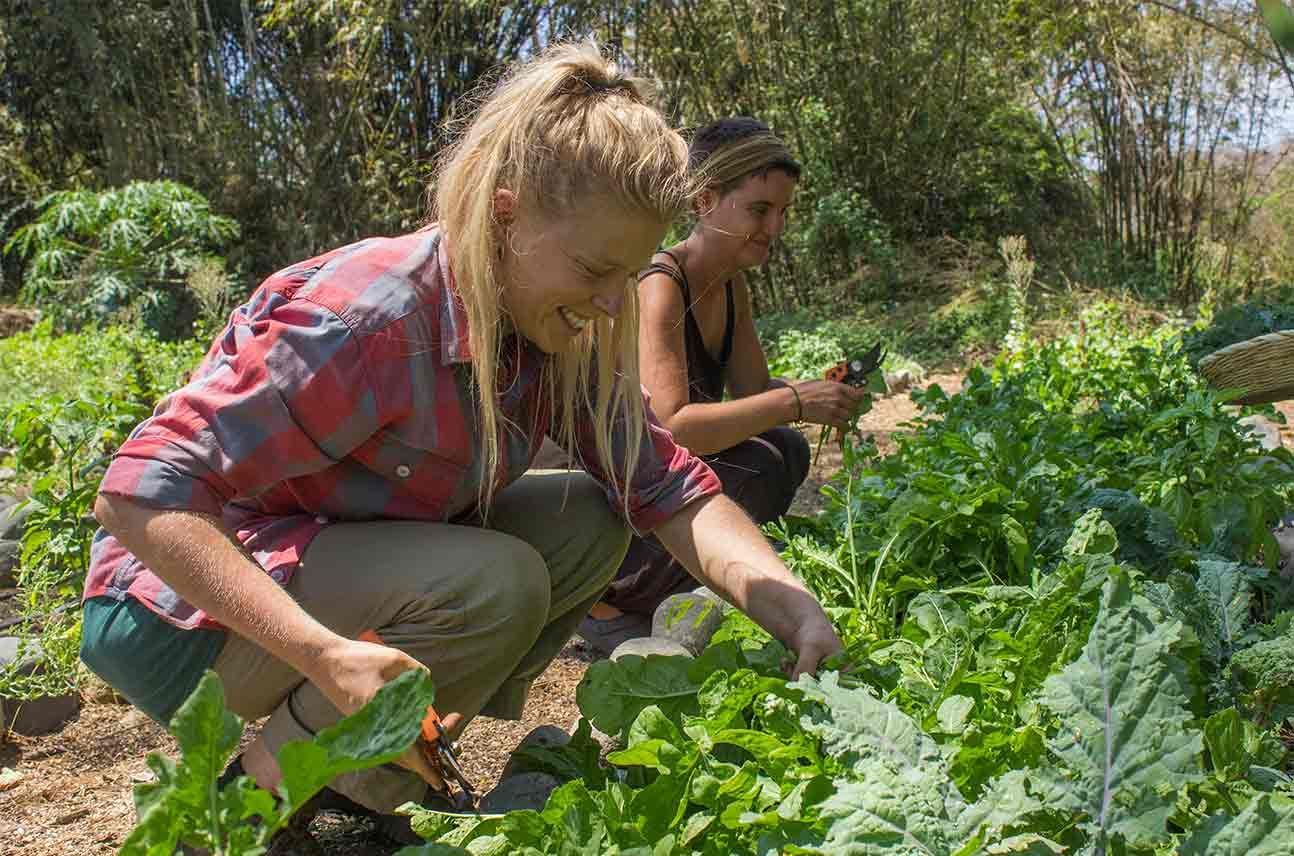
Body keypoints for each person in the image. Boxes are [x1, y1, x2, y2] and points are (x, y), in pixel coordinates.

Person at [77, 45, 843, 837]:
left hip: (317, 553)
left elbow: (669, 484)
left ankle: (347, 795)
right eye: (593, 269)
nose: (616, 304)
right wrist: (323, 656)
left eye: (628, 273)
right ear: (507, 215)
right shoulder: (370, 318)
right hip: (172, 616)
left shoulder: (553, 335)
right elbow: (137, 495)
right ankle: (240, 812)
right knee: (494, 580)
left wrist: (795, 612)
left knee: (587, 520)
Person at [579, 117, 869, 653]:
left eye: (783, 212)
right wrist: (795, 400)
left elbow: (755, 391)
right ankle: (614, 605)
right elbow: (671, 427)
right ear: (706, 201)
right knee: (761, 463)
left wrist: (818, 392)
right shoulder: (661, 284)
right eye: (759, 210)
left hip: (661, 489)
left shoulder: (731, 286)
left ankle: (703, 583)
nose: (774, 226)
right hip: (621, 509)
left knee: (784, 447)